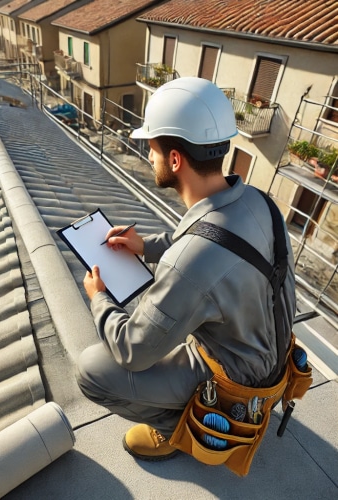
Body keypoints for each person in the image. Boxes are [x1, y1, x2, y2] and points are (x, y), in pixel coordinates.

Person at [76, 77, 296, 461]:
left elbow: (133, 350)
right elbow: (217, 244)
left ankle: (176, 430)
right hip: (272, 357)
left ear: (175, 160)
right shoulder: (261, 203)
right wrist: (148, 246)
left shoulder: (188, 261)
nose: (149, 156)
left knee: (91, 370)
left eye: (152, 149)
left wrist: (99, 298)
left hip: (237, 385)